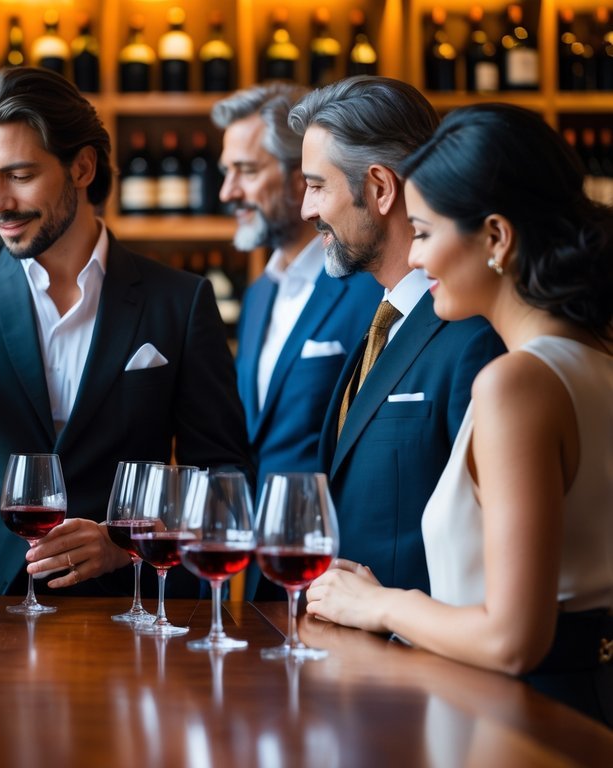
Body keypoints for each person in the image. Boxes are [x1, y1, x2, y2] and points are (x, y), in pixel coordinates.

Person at [0, 67, 251, 597]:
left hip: (128, 607)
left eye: (19, 175)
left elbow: (222, 478)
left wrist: (127, 543)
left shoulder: (180, 300)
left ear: (82, 166)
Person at [306, 104, 613, 725]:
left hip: (524, 724)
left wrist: (380, 605)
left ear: (496, 238)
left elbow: (511, 639)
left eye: (422, 232)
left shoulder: (515, 383)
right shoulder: (596, 358)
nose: (414, 258)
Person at [287, 76, 505, 594]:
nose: (306, 210)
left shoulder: (476, 336)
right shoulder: (383, 320)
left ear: (380, 189)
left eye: (317, 186)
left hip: (427, 664)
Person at [212, 84, 383, 600]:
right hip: (266, 578)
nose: (228, 192)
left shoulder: (371, 291)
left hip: (345, 577)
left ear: (298, 178)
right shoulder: (260, 293)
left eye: (246, 170)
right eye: (227, 172)